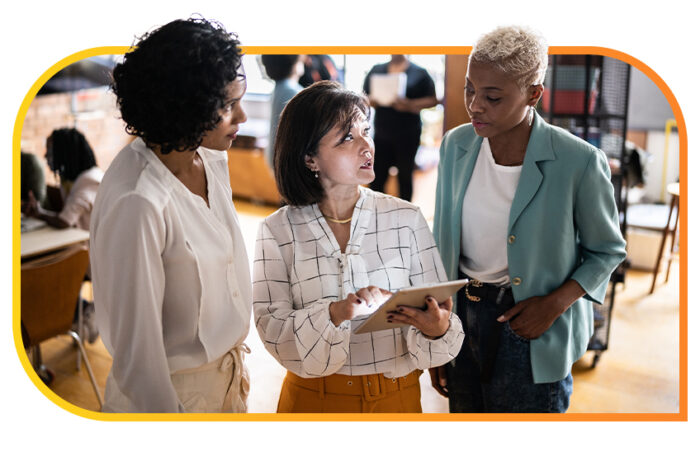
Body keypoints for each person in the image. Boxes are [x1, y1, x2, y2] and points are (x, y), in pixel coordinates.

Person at [431, 26, 627, 412]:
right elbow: (440, 243)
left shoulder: (579, 161)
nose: (475, 106)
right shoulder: (456, 145)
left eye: (493, 97)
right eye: (470, 89)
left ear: (534, 94)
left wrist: (554, 304)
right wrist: (437, 339)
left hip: (531, 324)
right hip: (459, 317)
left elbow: (608, 251)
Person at [253, 81, 464, 413]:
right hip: (312, 401)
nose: (367, 145)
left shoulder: (407, 218)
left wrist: (438, 329)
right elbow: (273, 328)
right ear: (310, 158)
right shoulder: (277, 230)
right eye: (347, 138)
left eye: (366, 130)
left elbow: (441, 316)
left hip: (398, 398)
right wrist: (337, 313)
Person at [90, 17, 251, 413]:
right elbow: (137, 361)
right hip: (170, 401)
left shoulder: (209, 159)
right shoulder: (140, 202)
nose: (242, 117)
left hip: (227, 385)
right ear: (187, 105)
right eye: (228, 105)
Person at [363, 55, 438, 202]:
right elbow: (363, 95)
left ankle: (406, 215)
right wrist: (372, 101)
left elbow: (433, 100)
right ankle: (376, 212)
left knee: (405, 175)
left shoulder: (420, 73)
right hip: (382, 132)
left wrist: (409, 105)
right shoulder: (377, 70)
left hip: (408, 133)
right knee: (377, 175)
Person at [22, 128, 103, 230]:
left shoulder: (89, 181)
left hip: (87, 244)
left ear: (65, 154)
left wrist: (40, 214)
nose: (45, 155)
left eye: (50, 151)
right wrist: (40, 212)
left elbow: (64, 221)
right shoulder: (70, 179)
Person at [260, 55, 304, 166]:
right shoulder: (294, 92)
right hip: (289, 163)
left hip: (275, 159)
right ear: (294, 65)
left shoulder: (279, 89)